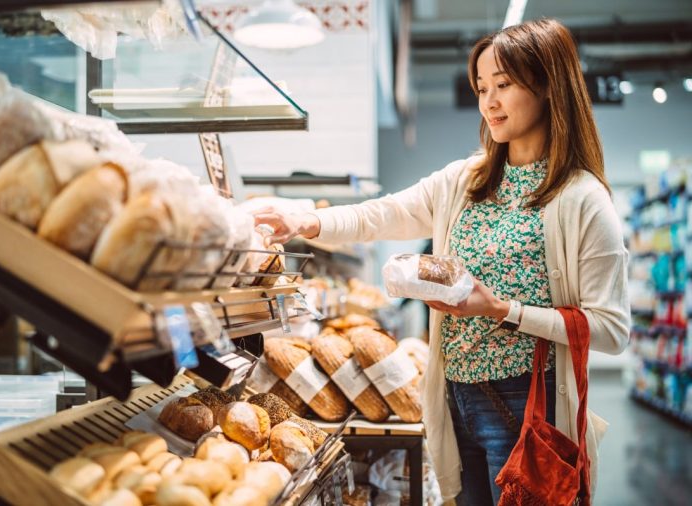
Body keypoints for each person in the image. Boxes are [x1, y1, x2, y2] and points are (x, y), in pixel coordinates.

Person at [254, 17, 629, 505]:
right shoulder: (465, 180)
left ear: (547, 86)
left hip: (525, 404)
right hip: (454, 397)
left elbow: (611, 330)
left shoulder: (582, 198)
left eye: (504, 85)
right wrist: (308, 221)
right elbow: (385, 213)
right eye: (481, 87)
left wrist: (504, 312)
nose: (489, 101)